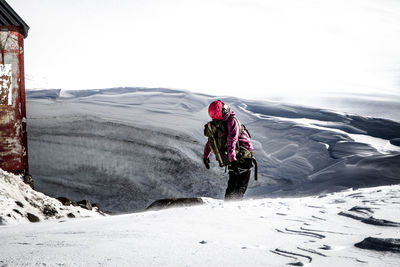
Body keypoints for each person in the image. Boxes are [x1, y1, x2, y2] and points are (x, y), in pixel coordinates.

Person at [203, 100, 255, 200]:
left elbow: (211, 141)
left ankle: (227, 208)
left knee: (232, 186)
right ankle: (233, 211)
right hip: (243, 157)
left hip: (231, 158)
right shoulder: (231, 121)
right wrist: (233, 160)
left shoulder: (216, 124)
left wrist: (206, 156)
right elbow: (232, 142)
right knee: (240, 187)